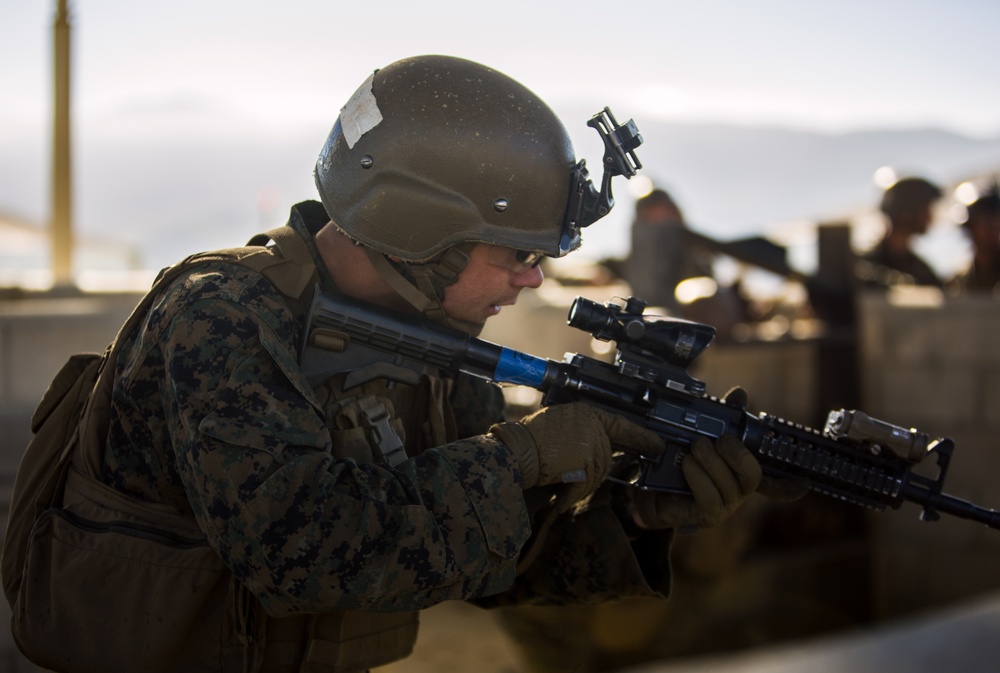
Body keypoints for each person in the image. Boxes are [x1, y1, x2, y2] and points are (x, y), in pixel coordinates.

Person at [76, 55, 778, 672]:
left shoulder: (428, 336)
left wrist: (633, 515)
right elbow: (299, 554)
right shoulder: (221, 317)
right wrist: (519, 456)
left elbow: (482, 559)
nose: (533, 281)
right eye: (520, 254)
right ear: (423, 232)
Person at [857, 176, 944, 288]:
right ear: (909, 211)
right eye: (925, 209)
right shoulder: (863, 269)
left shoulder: (923, 272)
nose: (930, 217)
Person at [949, 181, 1000, 295]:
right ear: (970, 227)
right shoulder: (958, 282)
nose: (992, 229)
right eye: (985, 222)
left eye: (996, 221)